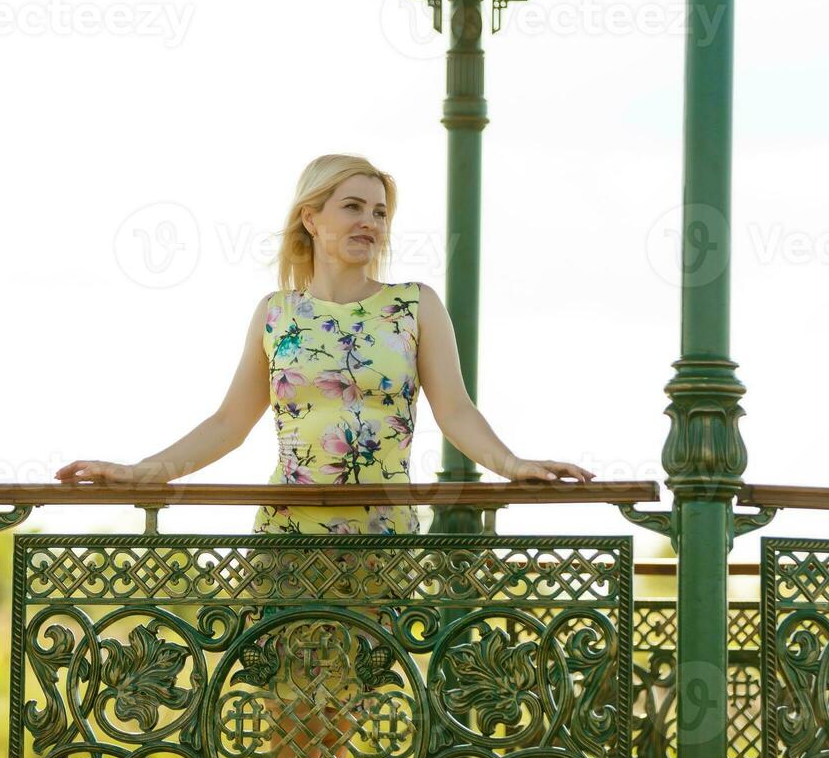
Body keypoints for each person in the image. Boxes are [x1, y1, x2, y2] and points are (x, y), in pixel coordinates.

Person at [54, 153, 598, 520]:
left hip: (383, 535)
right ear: (311, 219)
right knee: (283, 695)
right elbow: (228, 423)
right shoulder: (276, 314)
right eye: (354, 207)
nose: (371, 223)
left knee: (368, 695)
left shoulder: (415, 305)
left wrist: (514, 465)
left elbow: (456, 412)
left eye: (380, 212)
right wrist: (139, 472)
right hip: (288, 535)